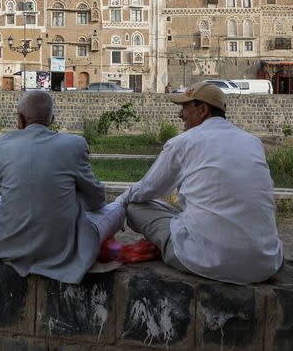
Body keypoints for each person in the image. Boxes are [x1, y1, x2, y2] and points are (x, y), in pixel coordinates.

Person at [114, 82, 284, 284]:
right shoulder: (252, 142)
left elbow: (146, 190)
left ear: (203, 110)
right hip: (266, 263)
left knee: (134, 206)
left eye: (185, 108)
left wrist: (115, 207)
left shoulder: (184, 142)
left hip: (205, 260)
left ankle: (173, 247)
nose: (180, 115)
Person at [0, 90, 124, 284]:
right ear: (52, 119)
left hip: (7, 245)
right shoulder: (74, 144)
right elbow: (96, 200)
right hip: (62, 251)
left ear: (20, 120)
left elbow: (4, 190)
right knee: (118, 208)